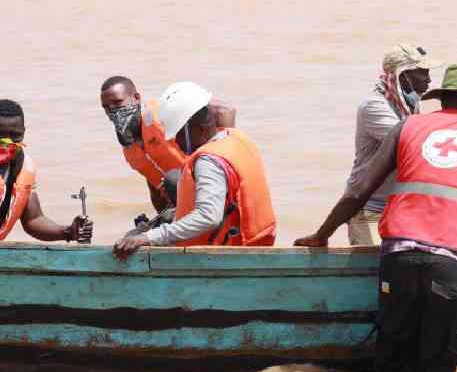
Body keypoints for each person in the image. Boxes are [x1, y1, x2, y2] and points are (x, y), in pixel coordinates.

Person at [295, 64, 457, 372]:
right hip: (451, 265)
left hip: (399, 258)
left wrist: (321, 235)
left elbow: (358, 191)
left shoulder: (407, 126)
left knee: (391, 371)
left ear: (444, 99)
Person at [113, 82, 275, 259]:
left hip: (228, 257)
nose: (178, 142)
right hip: (255, 243)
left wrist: (148, 237)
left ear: (198, 127)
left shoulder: (208, 161)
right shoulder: (236, 139)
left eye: (179, 134)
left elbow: (207, 217)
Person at [99, 76, 237, 213]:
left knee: (174, 178)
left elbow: (225, 110)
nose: (112, 111)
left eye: (117, 102)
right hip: (187, 196)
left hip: (214, 182)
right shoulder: (129, 146)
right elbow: (155, 186)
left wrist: (224, 161)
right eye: (106, 107)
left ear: (136, 98)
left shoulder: (163, 112)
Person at [346, 44, 438, 245]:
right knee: (371, 271)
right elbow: (409, 145)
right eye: (423, 73)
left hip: (397, 208)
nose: (429, 80)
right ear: (403, 76)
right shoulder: (375, 106)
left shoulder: (411, 104)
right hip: (370, 209)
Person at [0, 99, 93, 243]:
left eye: (15, 135)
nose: (8, 142)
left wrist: (67, 232)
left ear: (23, 132)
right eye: (0, 136)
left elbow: (33, 219)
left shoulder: (24, 166)